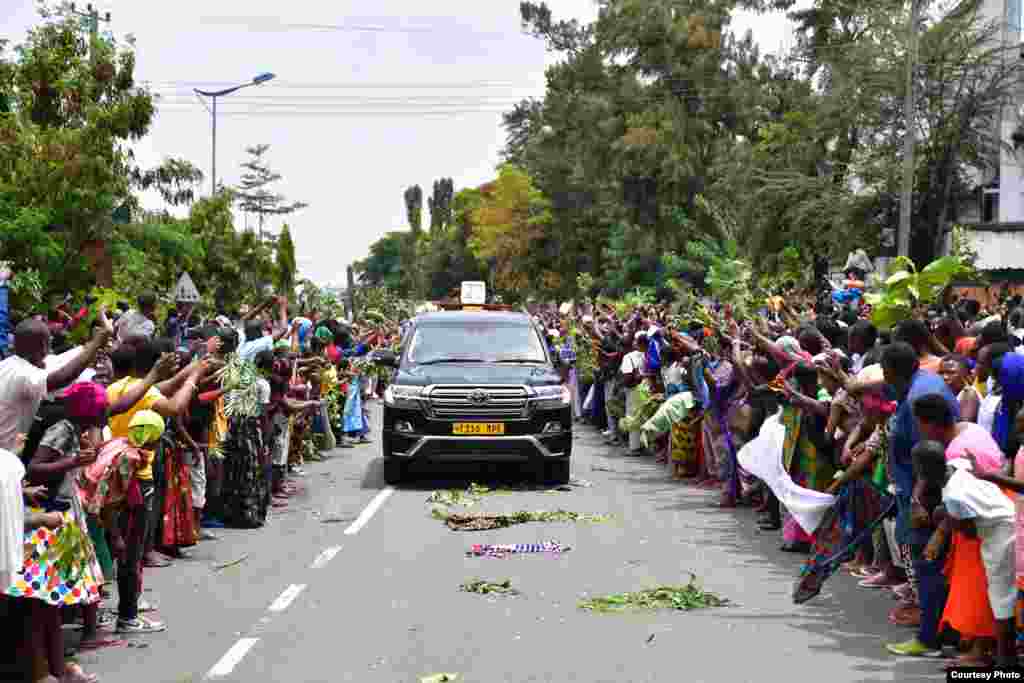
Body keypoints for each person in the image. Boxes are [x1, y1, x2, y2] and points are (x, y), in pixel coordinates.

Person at [883, 342, 959, 659]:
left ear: (895, 372)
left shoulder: (917, 399)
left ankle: (929, 638)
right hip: (923, 493)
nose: (885, 379)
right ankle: (942, 631)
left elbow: (928, 455)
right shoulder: (924, 383)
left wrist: (916, 500)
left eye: (886, 373)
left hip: (925, 500)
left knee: (928, 567)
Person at [0, 308, 114, 452]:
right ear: (43, 346)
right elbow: (63, 377)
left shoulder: (9, 364)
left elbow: (60, 361)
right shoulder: (24, 375)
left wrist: (95, 342)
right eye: (49, 341)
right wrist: (97, 341)